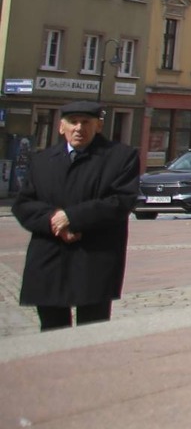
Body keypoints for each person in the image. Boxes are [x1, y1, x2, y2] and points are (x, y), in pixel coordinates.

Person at [13, 101, 140, 331]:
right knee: (52, 330)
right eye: (73, 122)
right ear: (62, 127)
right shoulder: (42, 160)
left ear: (98, 126)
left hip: (93, 255)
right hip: (49, 254)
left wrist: (72, 217)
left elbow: (121, 201)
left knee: (91, 331)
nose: (79, 128)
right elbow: (23, 204)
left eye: (86, 122)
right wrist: (54, 220)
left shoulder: (120, 157)